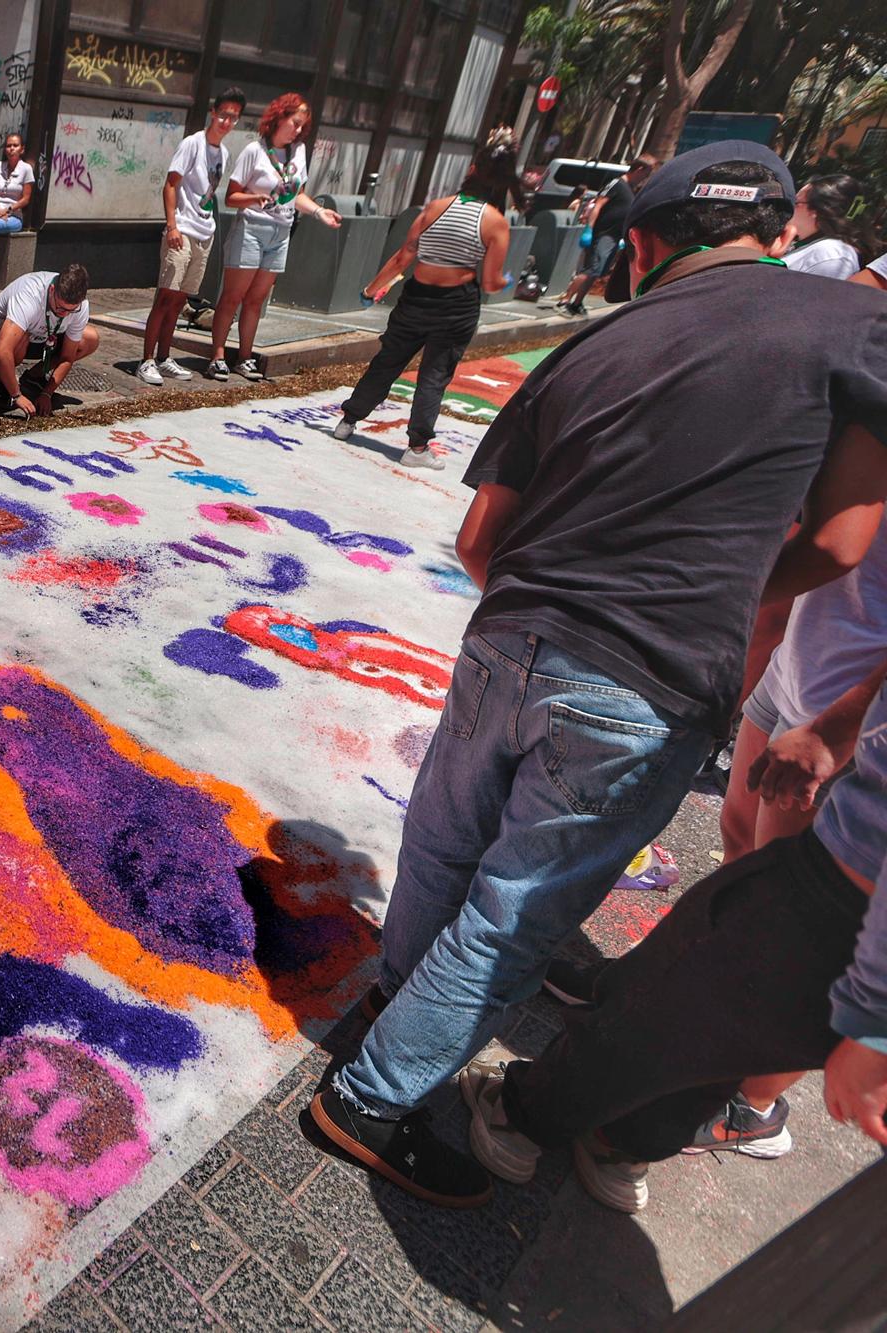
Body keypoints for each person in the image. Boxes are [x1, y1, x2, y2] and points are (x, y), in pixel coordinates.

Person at [305, 141, 887, 1208]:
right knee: (516, 911)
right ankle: (371, 1097)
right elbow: (847, 544)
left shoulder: (589, 341)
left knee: (441, 840)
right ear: (775, 232)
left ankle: (396, 999)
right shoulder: (849, 327)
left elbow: (481, 538)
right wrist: (724, 583)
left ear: (643, 240)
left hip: (508, 634)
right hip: (650, 672)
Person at [458, 663, 887, 1213]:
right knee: (729, 1044)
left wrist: (873, 1024)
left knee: (650, 1005)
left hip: (834, 897)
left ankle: (520, 1119)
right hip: (838, 898)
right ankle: (623, 1147)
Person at [331, 129, 517, 470]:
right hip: (456, 305)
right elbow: (490, 282)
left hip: (416, 297)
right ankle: (416, 449)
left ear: (473, 168)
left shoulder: (435, 207)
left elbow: (404, 257)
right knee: (434, 375)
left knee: (387, 361)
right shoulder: (496, 223)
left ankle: (347, 421)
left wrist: (371, 289)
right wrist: (507, 281)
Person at [207, 92, 340, 381]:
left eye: (303, 125)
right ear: (279, 118)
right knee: (233, 296)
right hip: (251, 229)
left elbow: (298, 195)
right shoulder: (254, 151)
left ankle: (244, 357)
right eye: (295, 122)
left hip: (281, 233)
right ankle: (217, 355)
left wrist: (319, 213)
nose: (299, 130)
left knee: (256, 299)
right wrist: (255, 198)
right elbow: (232, 197)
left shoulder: (299, 152)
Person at [137, 89, 244, 387]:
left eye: (233, 117)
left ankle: (164, 356)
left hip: (204, 232)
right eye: (223, 114)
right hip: (182, 229)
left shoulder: (223, 154)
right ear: (213, 112)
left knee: (181, 299)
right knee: (165, 295)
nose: (226, 121)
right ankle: (146, 359)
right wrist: (172, 226)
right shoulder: (192, 144)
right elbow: (171, 185)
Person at [0, 264, 99, 418]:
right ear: (52, 290)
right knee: (20, 337)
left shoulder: (81, 306)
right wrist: (17, 395)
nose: (65, 315)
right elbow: (2, 351)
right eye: (60, 308)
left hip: (40, 337)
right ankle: (5, 387)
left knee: (89, 338)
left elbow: (67, 357)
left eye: (71, 310)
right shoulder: (30, 293)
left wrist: (47, 394)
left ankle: (34, 378)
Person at [554, 154, 656, 316]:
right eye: (647, 172)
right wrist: (589, 229)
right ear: (639, 169)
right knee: (590, 269)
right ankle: (565, 300)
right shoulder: (617, 183)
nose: (647, 177)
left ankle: (577, 302)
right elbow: (598, 205)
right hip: (603, 233)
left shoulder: (630, 189)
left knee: (597, 271)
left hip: (614, 236)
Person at [780, 174, 870, 281]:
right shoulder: (820, 248)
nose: (791, 206)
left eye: (797, 202)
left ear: (817, 211)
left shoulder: (833, 256)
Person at [0, 131, 35, 289]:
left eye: (15, 145)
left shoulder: (26, 169)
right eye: (9, 145)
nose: (11, 148)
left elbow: (26, 198)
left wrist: (8, 209)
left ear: (22, 149)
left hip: (14, 217)